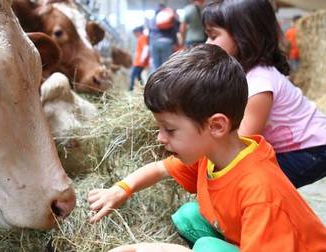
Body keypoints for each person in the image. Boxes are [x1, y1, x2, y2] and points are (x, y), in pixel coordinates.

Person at [87, 44, 326, 252]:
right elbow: (161, 168)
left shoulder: (260, 192)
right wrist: (121, 190)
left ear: (216, 125)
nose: (160, 138)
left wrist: (161, 249)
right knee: (188, 216)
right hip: (251, 237)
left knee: (205, 247)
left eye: (170, 130)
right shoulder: (211, 154)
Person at [202, 0, 326, 188]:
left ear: (243, 36)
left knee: (250, 180)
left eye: (213, 36)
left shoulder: (258, 84)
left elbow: (241, 145)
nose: (207, 43)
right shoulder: (244, 75)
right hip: (300, 148)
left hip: (312, 149)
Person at [148, 3, 179, 72]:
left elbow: (149, 34)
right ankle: (166, 82)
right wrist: (176, 43)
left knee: (155, 67)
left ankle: (154, 82)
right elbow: (174, 31)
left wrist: (149, 46)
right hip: (167, 42)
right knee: (166, 66)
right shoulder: (169, 18)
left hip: (155, 42)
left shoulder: (152, 20)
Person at [129, 26, 149, 91]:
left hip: (139, 62)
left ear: (138, 32)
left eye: (134, 33)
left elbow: (145, 48)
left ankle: (131, 89)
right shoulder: (142, 37)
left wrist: (142, 59)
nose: (134, 35)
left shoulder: (142, 37)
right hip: (139, 62)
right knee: (138, 75)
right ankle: (143, 88)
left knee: (132, 75)